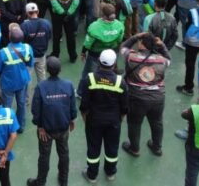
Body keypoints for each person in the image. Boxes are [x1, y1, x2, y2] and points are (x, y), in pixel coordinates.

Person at [79, 48, 127, 183]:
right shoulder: (120, 82)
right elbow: (124, 107)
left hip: (94, 120)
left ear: (99, 61)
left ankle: (92, 175)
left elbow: (84, 104)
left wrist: (85, 119)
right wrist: (119, 119)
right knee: (112, 147)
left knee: (93, 147)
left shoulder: (90, 79)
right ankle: (110, 172)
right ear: (114, 63)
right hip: (113, 121)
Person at [120, 31, 170, 157]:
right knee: (157, 122)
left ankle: (134, 148)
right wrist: (162, 45)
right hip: (158, 97)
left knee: (134, 123)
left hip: (137, 98)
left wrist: (135, 36)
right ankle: (157, 147)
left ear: (142, 45)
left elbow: (123, 47)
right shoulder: (161, 60)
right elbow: (169, 59)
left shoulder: (132, 57)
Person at [28, 56, 75, 186]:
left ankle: (40, 182)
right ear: (60, 70)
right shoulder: (68, 85)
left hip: (46, 131)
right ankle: (63, 180)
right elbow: (72, 105)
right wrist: (71, 119)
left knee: (44, 156)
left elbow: (36, 110)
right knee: (64, 154)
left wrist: (40, 127)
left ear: (47, 70)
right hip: (63, 128)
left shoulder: (41, 87)